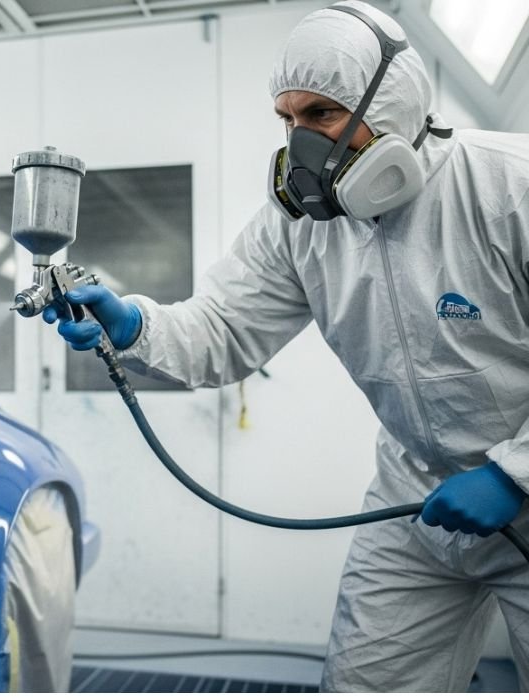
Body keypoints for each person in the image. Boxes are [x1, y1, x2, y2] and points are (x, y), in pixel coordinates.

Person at [45, 0, 529, 692]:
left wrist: (515, 473)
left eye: (322, 115)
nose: (303, 142)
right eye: (288, 120)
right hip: (415, 499)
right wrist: (132, 324)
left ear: (390, 106)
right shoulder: (299, 226)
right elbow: (222, 329)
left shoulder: (509, 186)